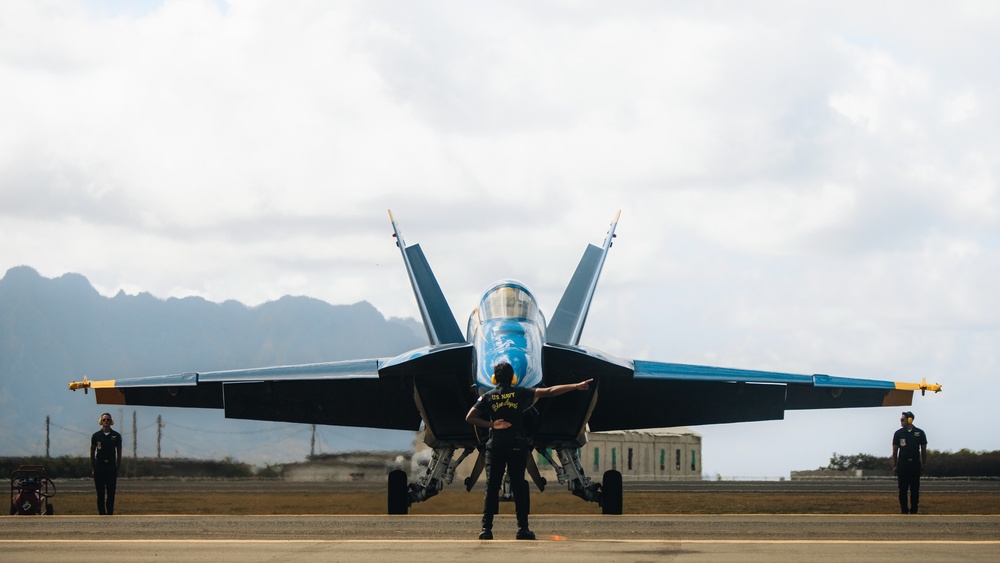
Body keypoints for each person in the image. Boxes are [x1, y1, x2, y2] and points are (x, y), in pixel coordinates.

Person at [465, 361, 592, 540]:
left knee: (492, 486)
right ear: (513, 378)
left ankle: (486, 530)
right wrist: (576, 386)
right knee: (519, 486)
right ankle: (522, 529)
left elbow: (470, 417)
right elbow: (549, 391)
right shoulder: (520, 393)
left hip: (496, 444)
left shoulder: (487, 397)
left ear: (494, 379)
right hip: (517, 444)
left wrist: (492, 424)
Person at [892, 410, 928, 514]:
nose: (901, 422)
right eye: (900, 420)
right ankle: (904, 510)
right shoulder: (898, 433)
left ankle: (914, 510)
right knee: (902, 489)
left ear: (910, 420)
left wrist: (923, 464)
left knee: (915, 489)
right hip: (903, 464)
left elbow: (924, 450)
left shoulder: (920, 433)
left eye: (903, 420)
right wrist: (894, 465)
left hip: (915, 464)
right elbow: (895, 451)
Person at [91, 412, 123, 515]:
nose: (106, 422)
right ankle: (101, 514)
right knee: (100, 493)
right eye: (104, 420)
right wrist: (93, 468)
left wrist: (117, 468)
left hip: (111, 466)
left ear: (111, 421)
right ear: (101, 421)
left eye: (108, 420)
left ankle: (110, 514)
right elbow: (92, 452)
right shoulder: (96, 436)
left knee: (111, 492)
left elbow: (119, 453)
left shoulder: (116, 436)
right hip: (99, 466)